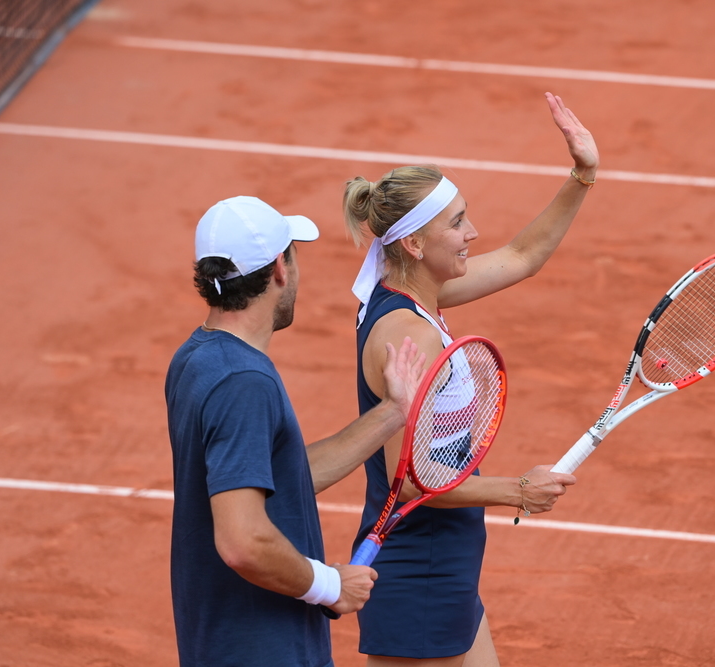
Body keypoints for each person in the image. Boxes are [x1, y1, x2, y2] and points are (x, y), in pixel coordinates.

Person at [341, 92, 597, 666]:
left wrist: (582, 175)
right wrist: (519, 491)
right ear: (413, 243)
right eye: (457, 223)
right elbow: (409, 482)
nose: (473, 232)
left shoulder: (409, 293)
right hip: (420, 568)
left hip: (445, 560)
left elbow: (523, 255)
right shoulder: (409, 334)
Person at [165, 195, 425, 667]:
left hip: (223, 640)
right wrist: (329, 585)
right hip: (263, 649)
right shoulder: (244, 382)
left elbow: (279, 476)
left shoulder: (197, 358)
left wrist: (393, 413)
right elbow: (242, 540)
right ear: (279, 269)